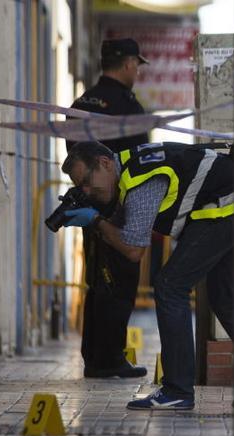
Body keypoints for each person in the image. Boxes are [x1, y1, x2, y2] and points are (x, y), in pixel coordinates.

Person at [60, 141, 234, 410]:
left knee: (170, 286)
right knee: (223, 296)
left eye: (86, 181)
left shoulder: (141, 178)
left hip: (224, 205)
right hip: (232, 202)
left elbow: (133, 250)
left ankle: (177, 389)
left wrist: (95, 221)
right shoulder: (129, 168)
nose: (87, 191)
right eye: (80, 187)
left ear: (105, 163)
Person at [67, 38, 150, 379]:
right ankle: (110, 358)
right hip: (120, 205)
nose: (136, 71)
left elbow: (74, 160)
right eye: (136, 65)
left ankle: (95, 357)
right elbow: (141, 161)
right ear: (129, 63)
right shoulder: (126, 106)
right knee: (120, 282)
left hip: (88, 203)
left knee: (96, 281)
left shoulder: (81, 101)